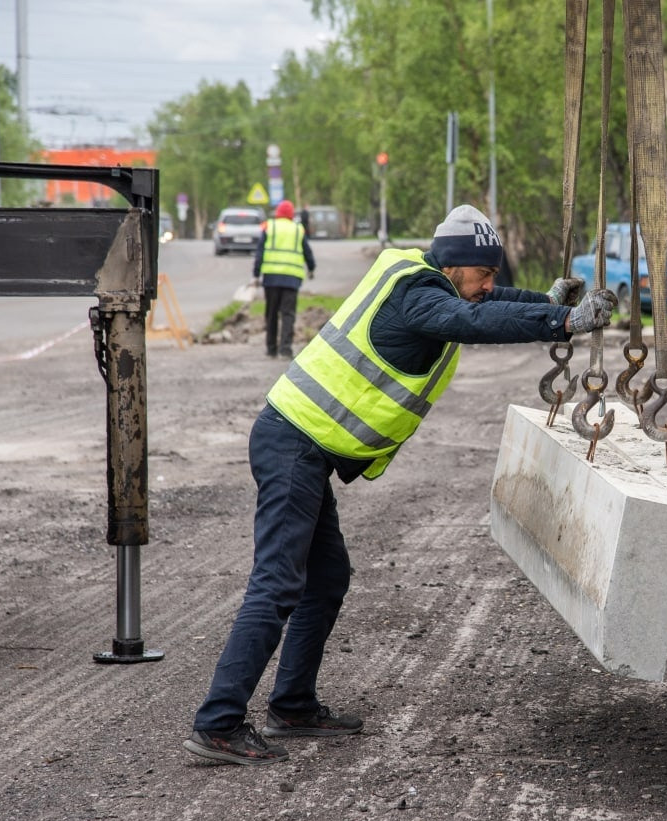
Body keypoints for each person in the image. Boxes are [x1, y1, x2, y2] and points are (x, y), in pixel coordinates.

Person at [184, 205, 616, 766]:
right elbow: (474, 322)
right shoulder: (420, 296)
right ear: (457, 266)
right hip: (294, 443)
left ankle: (291, 705)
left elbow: (490, 303)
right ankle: (218, 723)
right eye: (484, 274)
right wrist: (562, 324)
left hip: (301, 444)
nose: (489, 285)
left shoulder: (425, 276)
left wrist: (550, 303)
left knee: (327, 575)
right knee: (277, 584)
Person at [252, 199, 316, 359]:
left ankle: (271, 348)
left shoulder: (270, 227)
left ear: (278, 213)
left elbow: (259, 253)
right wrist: (311, 268)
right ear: (291, 215)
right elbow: (307, 252)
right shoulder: (298, 230)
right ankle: (285, 349)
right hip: (291, 279)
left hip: (271, 278)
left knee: (271, 313)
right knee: (288, 314)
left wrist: (256, 273)